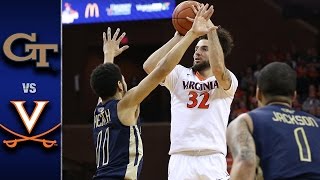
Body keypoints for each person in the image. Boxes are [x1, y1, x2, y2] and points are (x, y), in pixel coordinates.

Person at [90, 4, 215, 180]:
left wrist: (108, 56)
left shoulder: (99, 110)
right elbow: (162, 69)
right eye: (124, 79)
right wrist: (191, 35)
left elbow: (104, 80)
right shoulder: (125, 104)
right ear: (120, 85)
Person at [143, 3, 237, 179]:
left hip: (212, 157)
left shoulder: (227, 78)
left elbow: (218, 69)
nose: (196, 52)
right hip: (181, 158)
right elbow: (149, 67)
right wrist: (180, 36)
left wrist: (211, 31)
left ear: (218, 52)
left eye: (204, 48)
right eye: (196, 48)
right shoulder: (179, 74)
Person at [227, 62, 320, 180]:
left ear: (258, 94)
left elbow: (246, 163)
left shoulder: (246, 121)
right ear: (294, 96)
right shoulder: (317, 124)